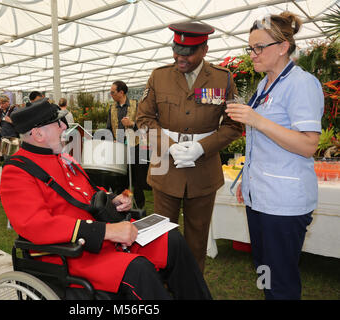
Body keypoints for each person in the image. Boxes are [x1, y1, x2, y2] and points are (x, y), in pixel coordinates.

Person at [0, 99, 212, 300]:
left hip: (102, 241)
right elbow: (35, 225)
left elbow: (86, 192)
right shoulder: (17, 171)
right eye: (58, 124)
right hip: (70, 255)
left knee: (171, 241)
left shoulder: (62, 156)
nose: (65, 127)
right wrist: (106, 232)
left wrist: (111, 199)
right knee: (138, 269)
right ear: (38, 134)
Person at [225, 12, 324, 300]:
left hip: (284, 203)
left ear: (283, 47)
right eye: (250, 48)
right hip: (261, 198)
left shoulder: (301, 84)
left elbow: (308, 145)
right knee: (264, 270)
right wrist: (250, 180)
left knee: (280, 279)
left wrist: (256, 120)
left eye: (259, 48)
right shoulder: (264, 84)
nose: (252, 55)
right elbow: (262, 143)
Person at [137, 22, 243, 272]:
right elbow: (143, 119)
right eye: (176, 49)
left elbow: (234, 125)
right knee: (161, 236)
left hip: (203, 169)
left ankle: (191, 288)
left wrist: (201, 148)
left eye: (188, 52)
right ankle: (161, 286)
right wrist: (170, 146)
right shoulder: (159, 76)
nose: (180, 57)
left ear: (205, 50)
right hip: (166, 166)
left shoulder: (223, 78)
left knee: (197, 239)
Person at [106, 80, 147, 209]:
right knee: (122, 180)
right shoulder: (112, 108)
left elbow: (145, 126)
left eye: (112, 92)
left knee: (137, 181)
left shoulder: (137, 105)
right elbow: (108, 127)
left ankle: (139, 207)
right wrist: (110, 139)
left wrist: (132, 124)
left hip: (136, 147)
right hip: (119, 149)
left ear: (121, 92)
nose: (111, 94)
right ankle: (124, 205)